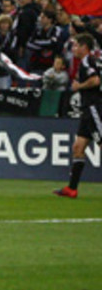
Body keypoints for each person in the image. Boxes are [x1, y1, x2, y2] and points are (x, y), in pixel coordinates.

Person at [54, 34, 100, 198]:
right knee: (78, 147)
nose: (73, 49)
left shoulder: (88, 61)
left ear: (84, 47)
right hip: (88, 109)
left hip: (95, 108)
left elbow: (95, 81)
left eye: (75, 46)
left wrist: (79, 86)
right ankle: (72, 189)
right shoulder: (89, 61)